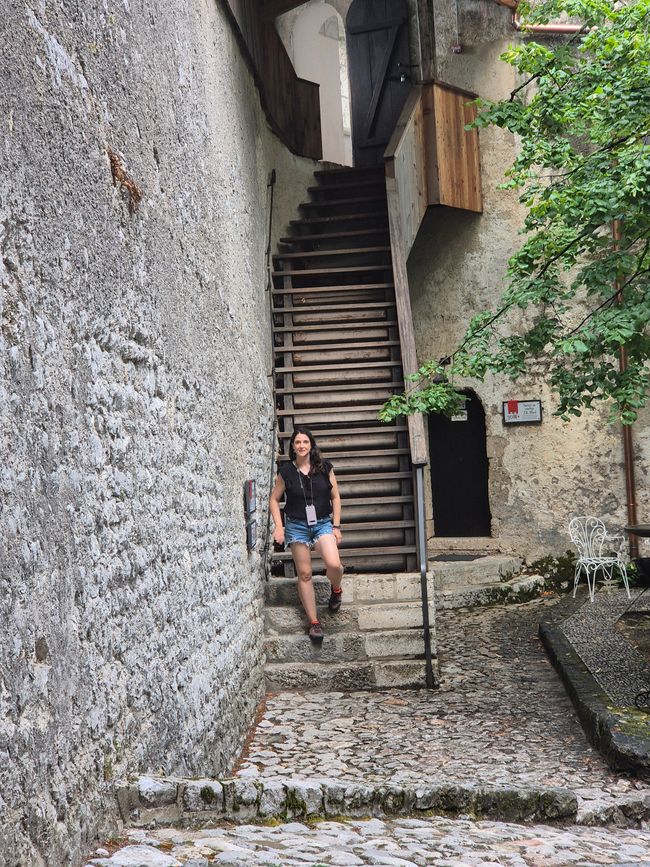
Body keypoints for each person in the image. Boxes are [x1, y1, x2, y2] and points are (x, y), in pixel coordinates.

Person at [269, 427, 344, 643]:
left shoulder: (325, 468)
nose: (301, 446)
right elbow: (274, 499)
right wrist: (279, 526)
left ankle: (336, 589)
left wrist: (336, 526)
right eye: (297, 442)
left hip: (322, 524)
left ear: (311, 445)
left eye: (305, 442)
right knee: (304, 574)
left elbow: (336, 497)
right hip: (297, 526)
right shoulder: (286, 472)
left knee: (334, 564)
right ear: (292, 447)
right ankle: (314, 622)